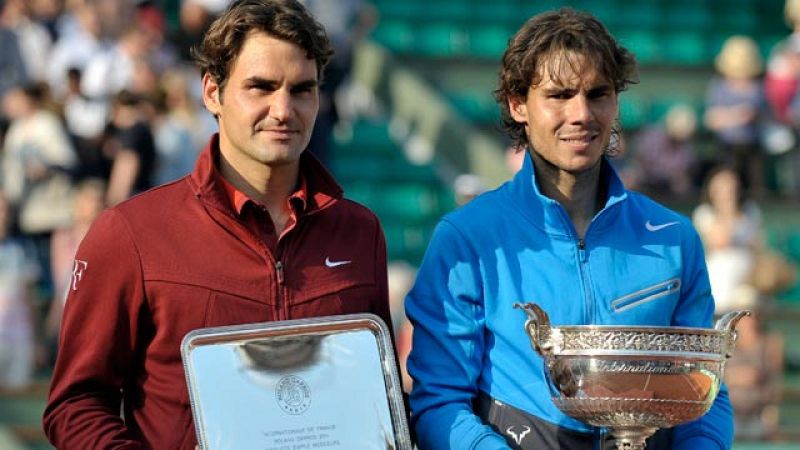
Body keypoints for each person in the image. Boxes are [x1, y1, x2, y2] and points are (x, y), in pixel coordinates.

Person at [43, 1, 393, 448]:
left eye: (302, 89)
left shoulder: (360, 232)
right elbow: (75, 404)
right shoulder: (129, 234)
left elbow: (372, 393)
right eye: (260, 87)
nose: (283, 109)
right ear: (212, 93)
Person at [405, 8, 734, 450]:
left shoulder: (673, 237)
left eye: (597, 94)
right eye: (559, 95)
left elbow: (702, 391)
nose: (581, 114)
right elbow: (440, 402)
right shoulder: (467, 240)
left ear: (616, 102)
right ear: (517, 104)